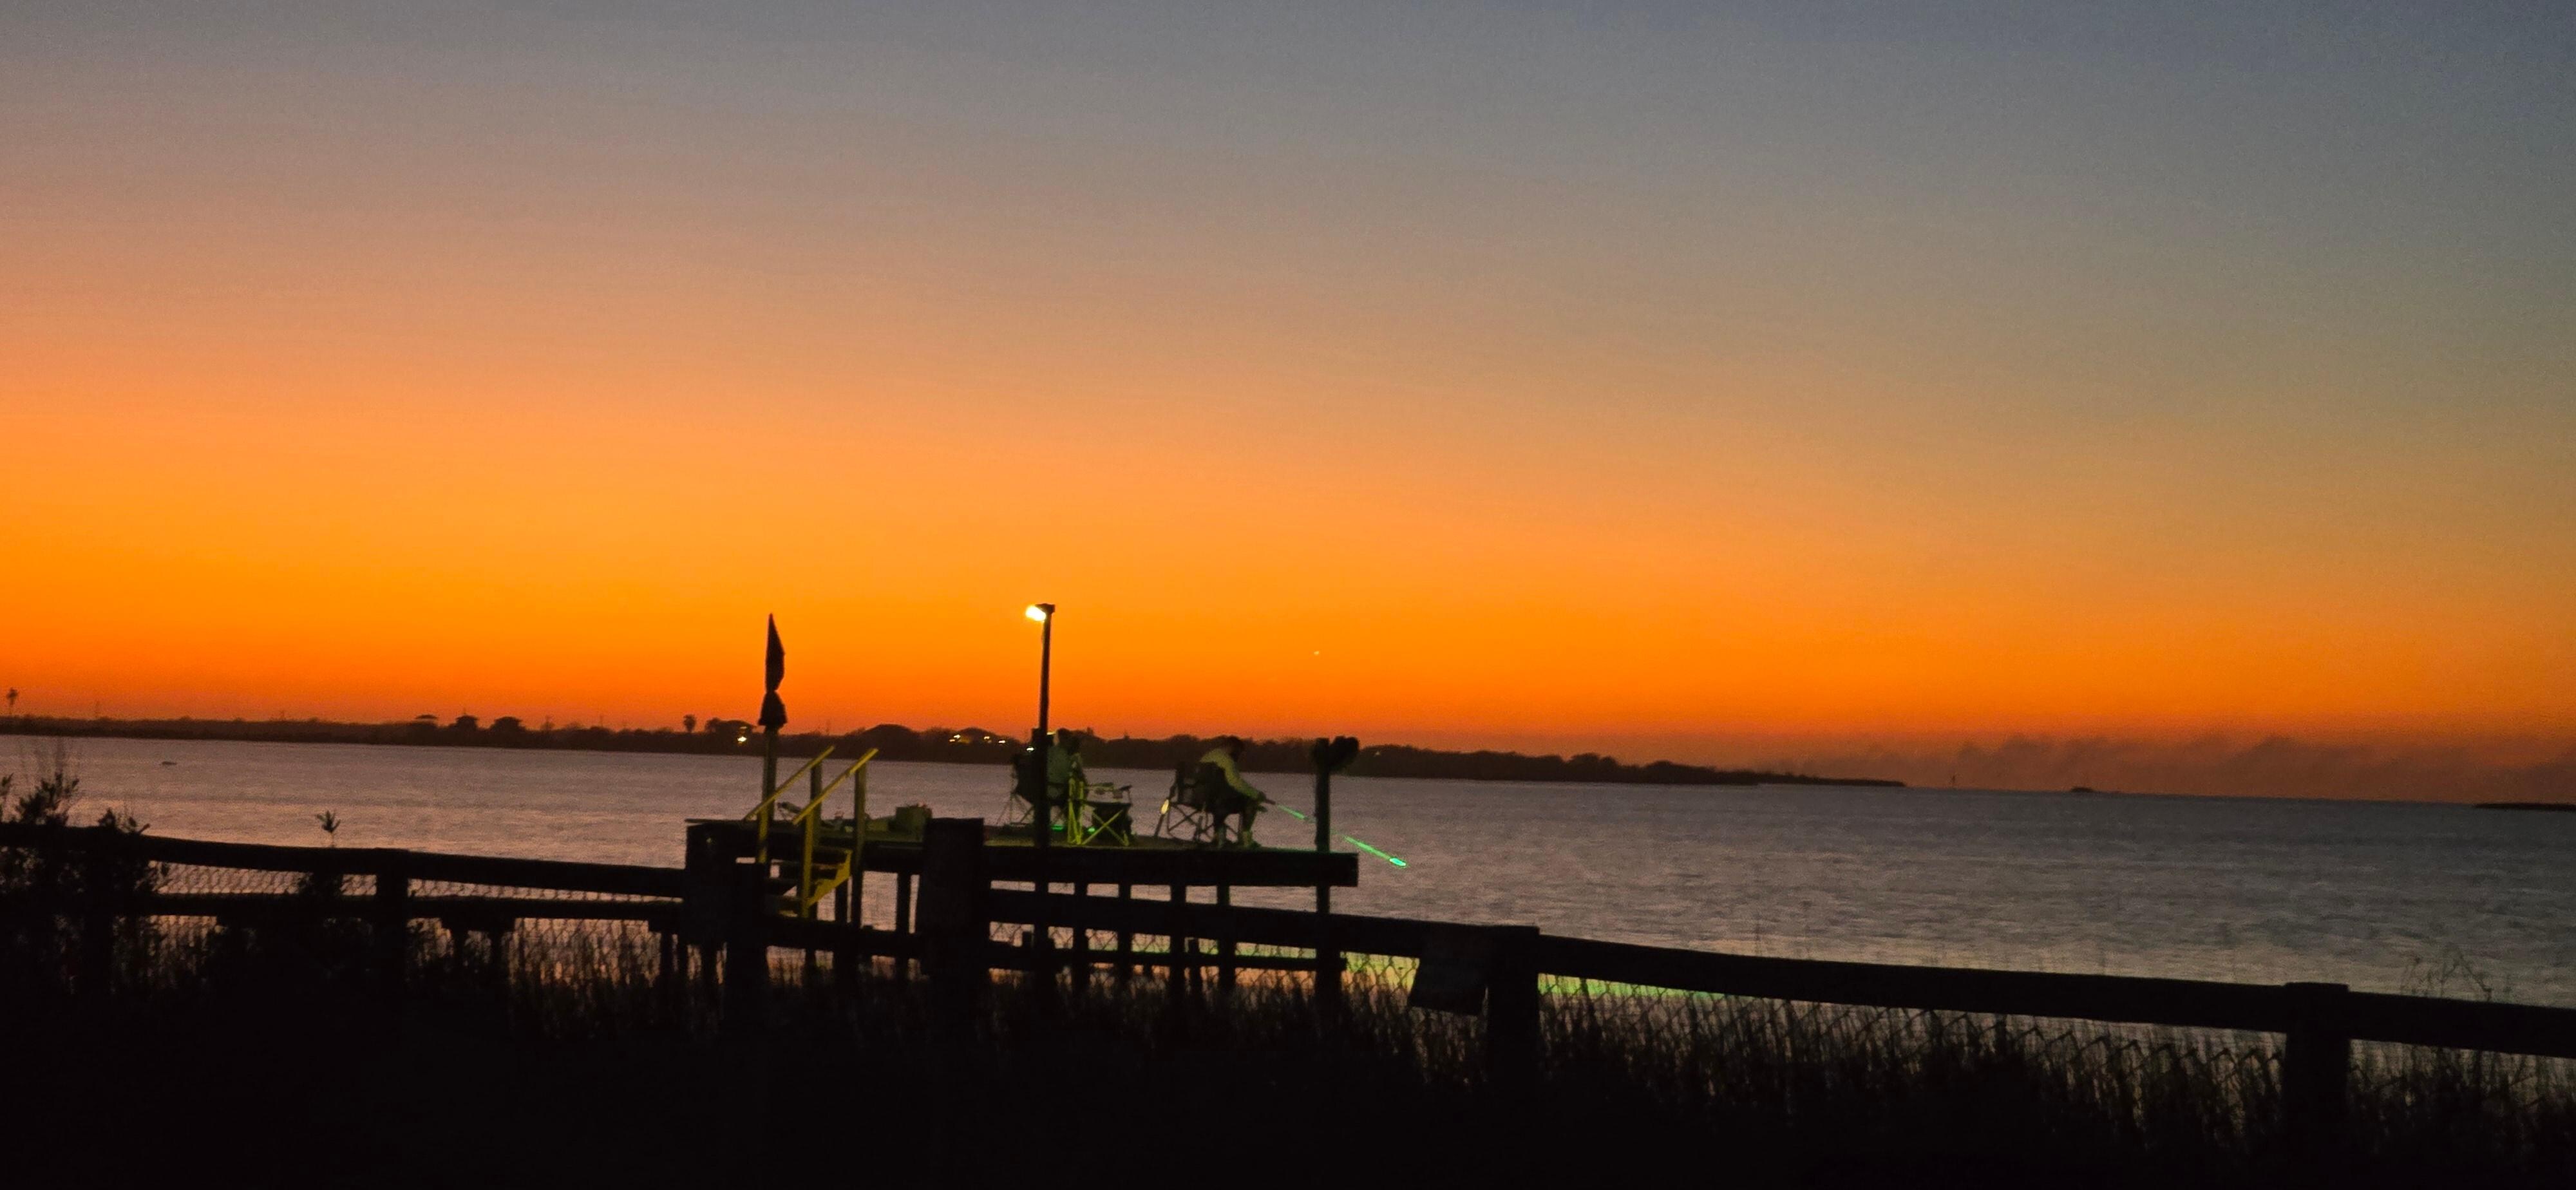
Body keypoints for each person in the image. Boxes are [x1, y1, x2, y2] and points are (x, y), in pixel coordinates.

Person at [1195, 736, 1265, 847]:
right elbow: (1236, 783)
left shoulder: (1207, 757)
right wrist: (1257, 795)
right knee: (1251, 802)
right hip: (1219, 802)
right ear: (1233, 748)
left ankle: (1217, 836)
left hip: (1201, 800)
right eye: (1239, 753)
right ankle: (1246, 839)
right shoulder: (1227, 761)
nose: (1239, 756)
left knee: (1221, 800)